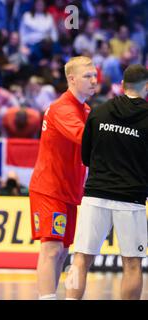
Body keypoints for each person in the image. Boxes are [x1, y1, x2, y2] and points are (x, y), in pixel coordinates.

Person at [66, 64, 148, 300]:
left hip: (95, 194)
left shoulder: (99, 111)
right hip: (131, 199)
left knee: (80, 258)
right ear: (146, 87)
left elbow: (86, 155)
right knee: (132, 264)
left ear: (122, 85)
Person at [29, 56, 97, 299]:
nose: (94, 80)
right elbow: (85, 138)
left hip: (69, 190)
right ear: (71, 79)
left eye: (95, 75)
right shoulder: (63, 108)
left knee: (62, 251)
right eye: (88, 76)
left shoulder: (86, 109)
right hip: (50, 189)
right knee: (51, 248)